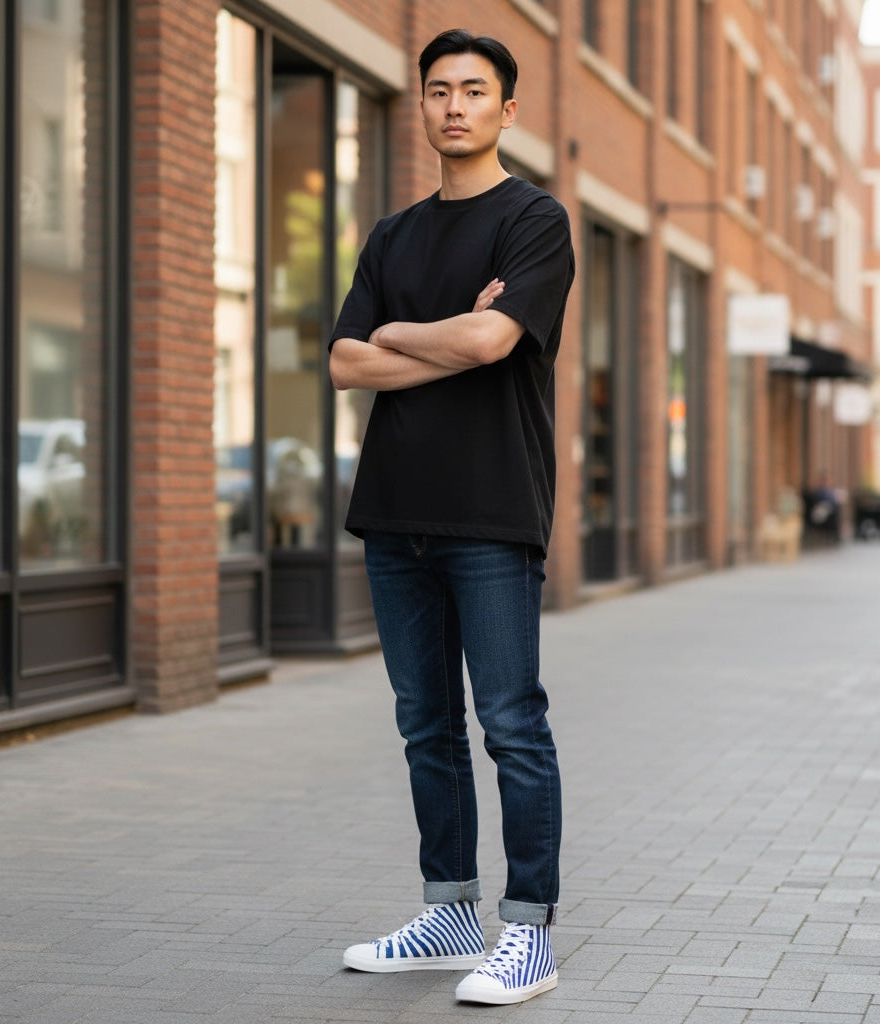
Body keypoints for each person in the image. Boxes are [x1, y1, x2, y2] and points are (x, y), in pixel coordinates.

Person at [328, 28, 574, 1006]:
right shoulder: (391, 236)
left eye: (476, 91)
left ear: (507, 110)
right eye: (439, 91)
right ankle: (450, 909)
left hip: (491, 510)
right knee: (425, 724)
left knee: (511, 724)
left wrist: (400, 332)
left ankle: (529, 932)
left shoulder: (534, 221)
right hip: (394, 511)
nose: (456, 106)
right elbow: (346, 361)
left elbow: (491, 339)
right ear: (422, 107)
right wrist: (436, 339)